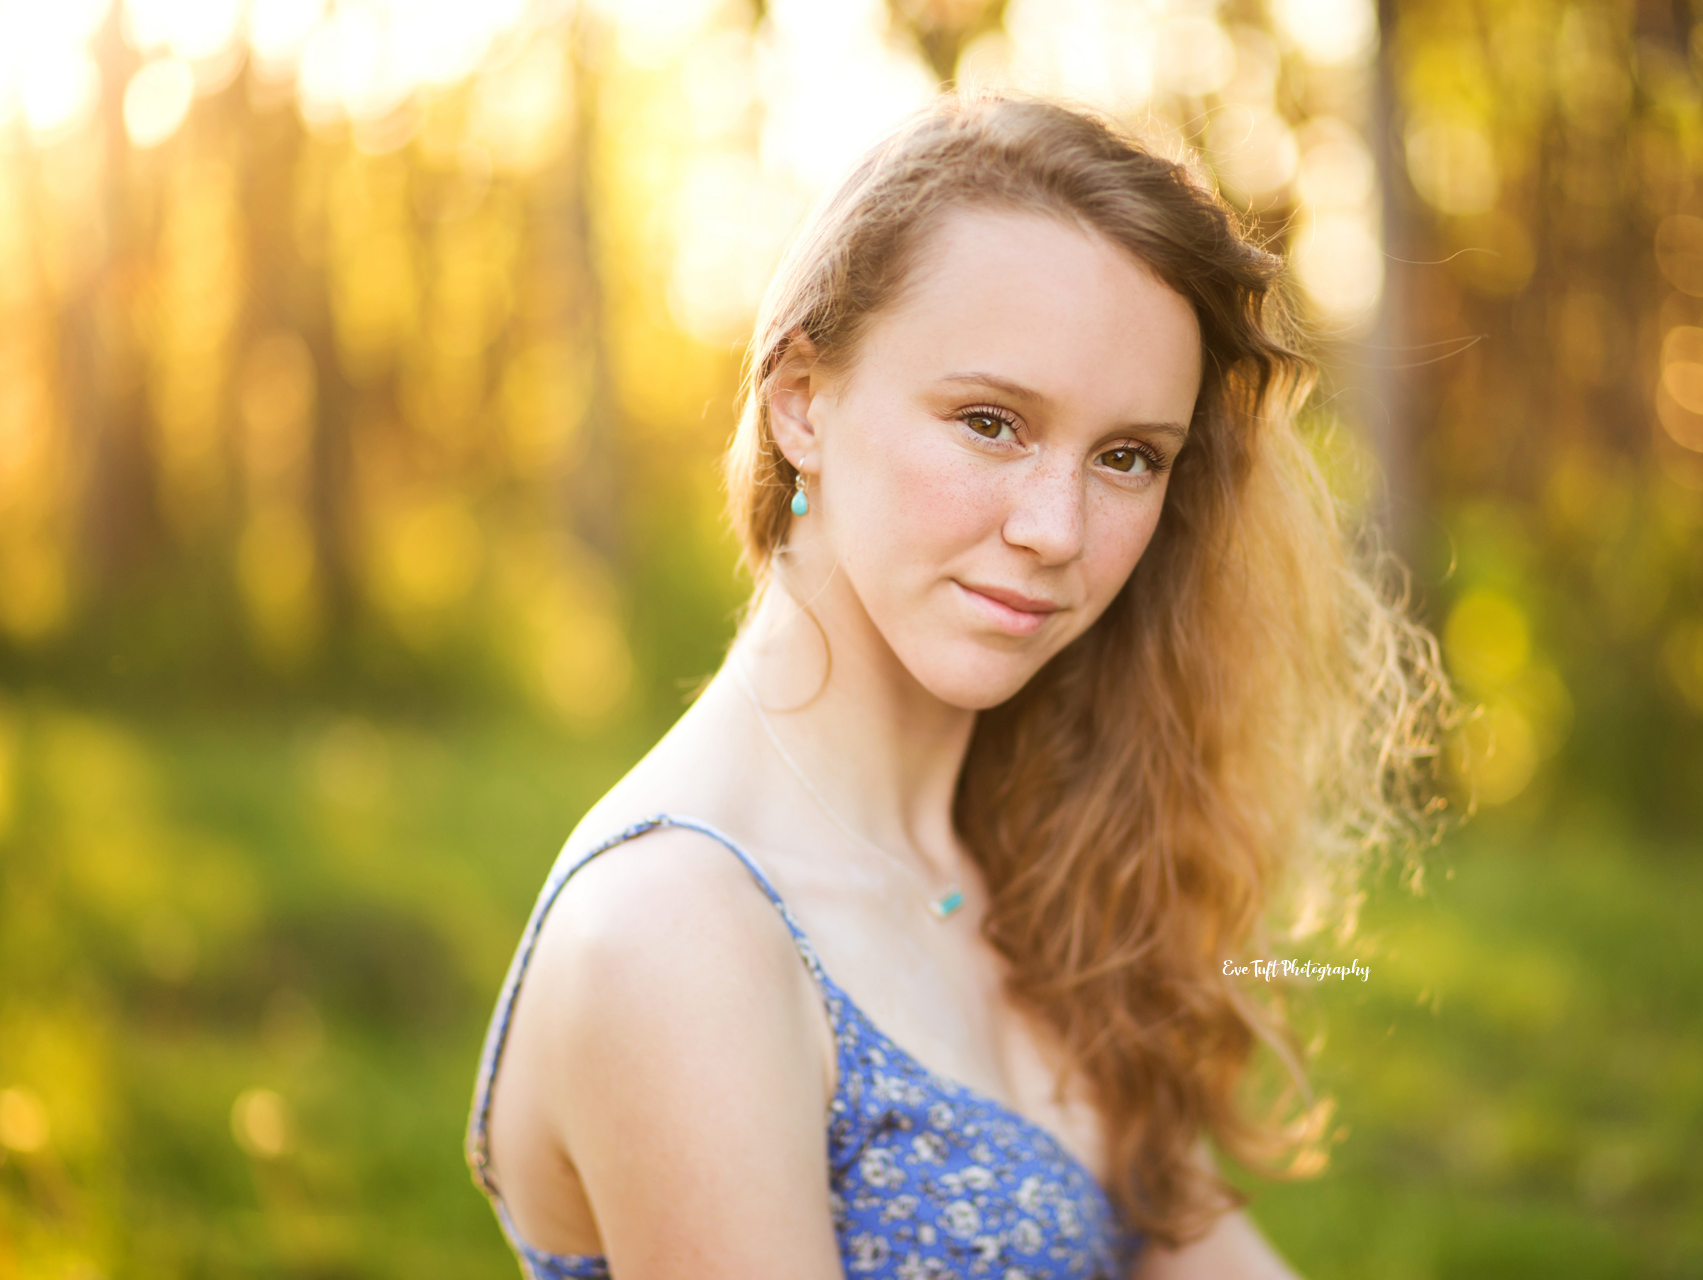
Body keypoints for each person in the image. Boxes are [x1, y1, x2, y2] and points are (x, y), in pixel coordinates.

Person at [465, 94, 1445, 1278]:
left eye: (1127, 456)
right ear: (801, 401)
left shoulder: (1024, 852)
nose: (1055, 527)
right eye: (989, 422)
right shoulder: (675, 929)